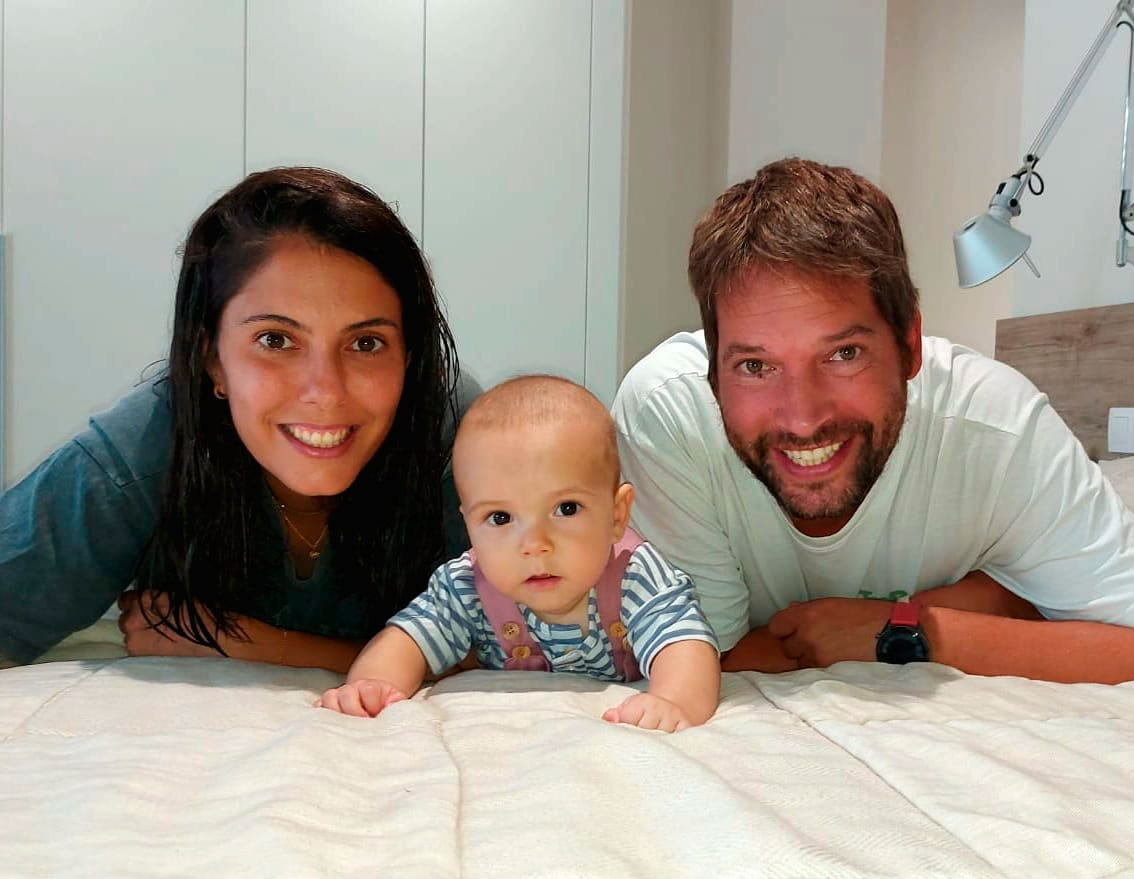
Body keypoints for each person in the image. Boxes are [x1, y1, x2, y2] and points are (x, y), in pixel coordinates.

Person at [612, 156, 1134, 685]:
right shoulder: (669, 413)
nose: (803, 419)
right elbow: (706, 658)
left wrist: (910, 630)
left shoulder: (997, 429)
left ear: (909, 345)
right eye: (754, 366)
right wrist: (997, 602)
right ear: (713, 369)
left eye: (844, 354)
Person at [0, 167, 478, 673]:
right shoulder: (144, 448)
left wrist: (254, 644)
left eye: (366, 343)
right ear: (212, 358)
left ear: (408, 355)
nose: (325, 392)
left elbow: (520, 649)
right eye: (275, 340)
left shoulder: (465, 439)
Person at [318, 376, 720, 732]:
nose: (534, 544)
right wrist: (372, 685)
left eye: (566, 509)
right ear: (469, 526)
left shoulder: (634, 574)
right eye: (500, 517)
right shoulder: (468, 586)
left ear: (617, 515)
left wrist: (672, 701)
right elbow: (408, 639)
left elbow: (685, 644)